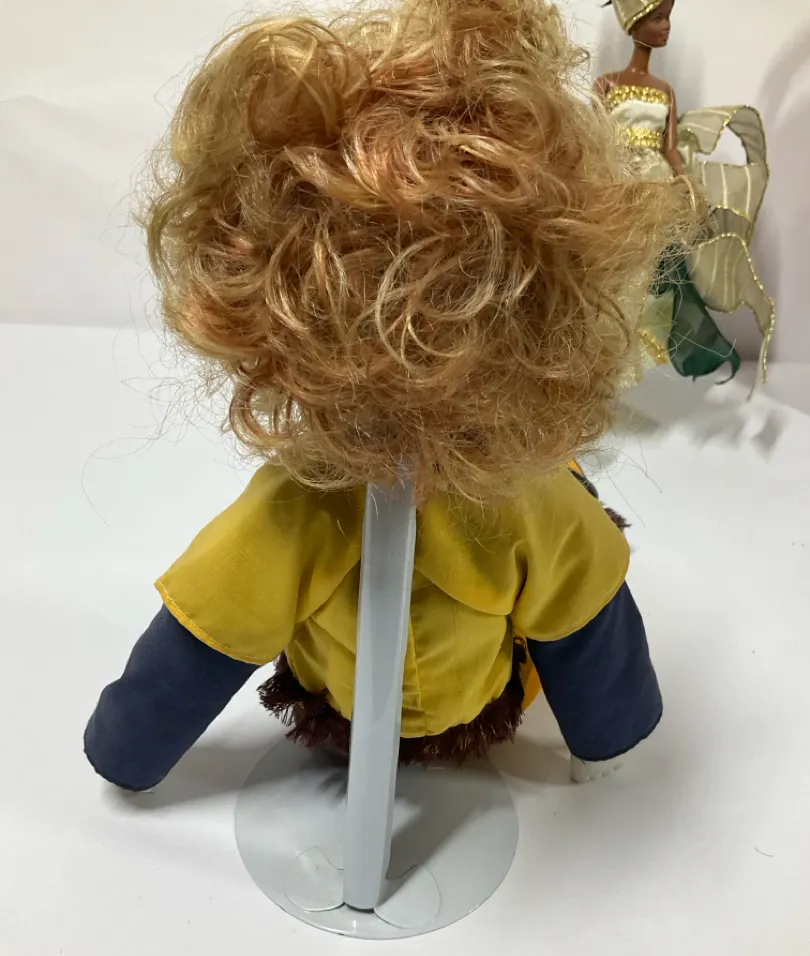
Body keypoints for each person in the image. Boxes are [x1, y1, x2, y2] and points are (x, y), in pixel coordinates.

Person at [85, 0, 694, 793]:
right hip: (439, 711)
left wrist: (125, 753)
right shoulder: (525, 506)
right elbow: (590, 622)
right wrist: (605, 743)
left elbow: (203, 633)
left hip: (351, 714)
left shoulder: (298, 507)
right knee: (562, 510)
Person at [596, 0, 775, 383]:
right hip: (620, 184)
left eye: (668, 18)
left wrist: (690, 188)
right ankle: (608, 353)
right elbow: (593, 141)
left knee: (660, 270)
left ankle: (642, 350)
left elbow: (671, 150)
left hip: (659, 187)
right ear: (635, 22)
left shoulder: (664, 90)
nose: (666, 26)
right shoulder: (607, 84)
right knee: (616, 269)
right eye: (658, 18)